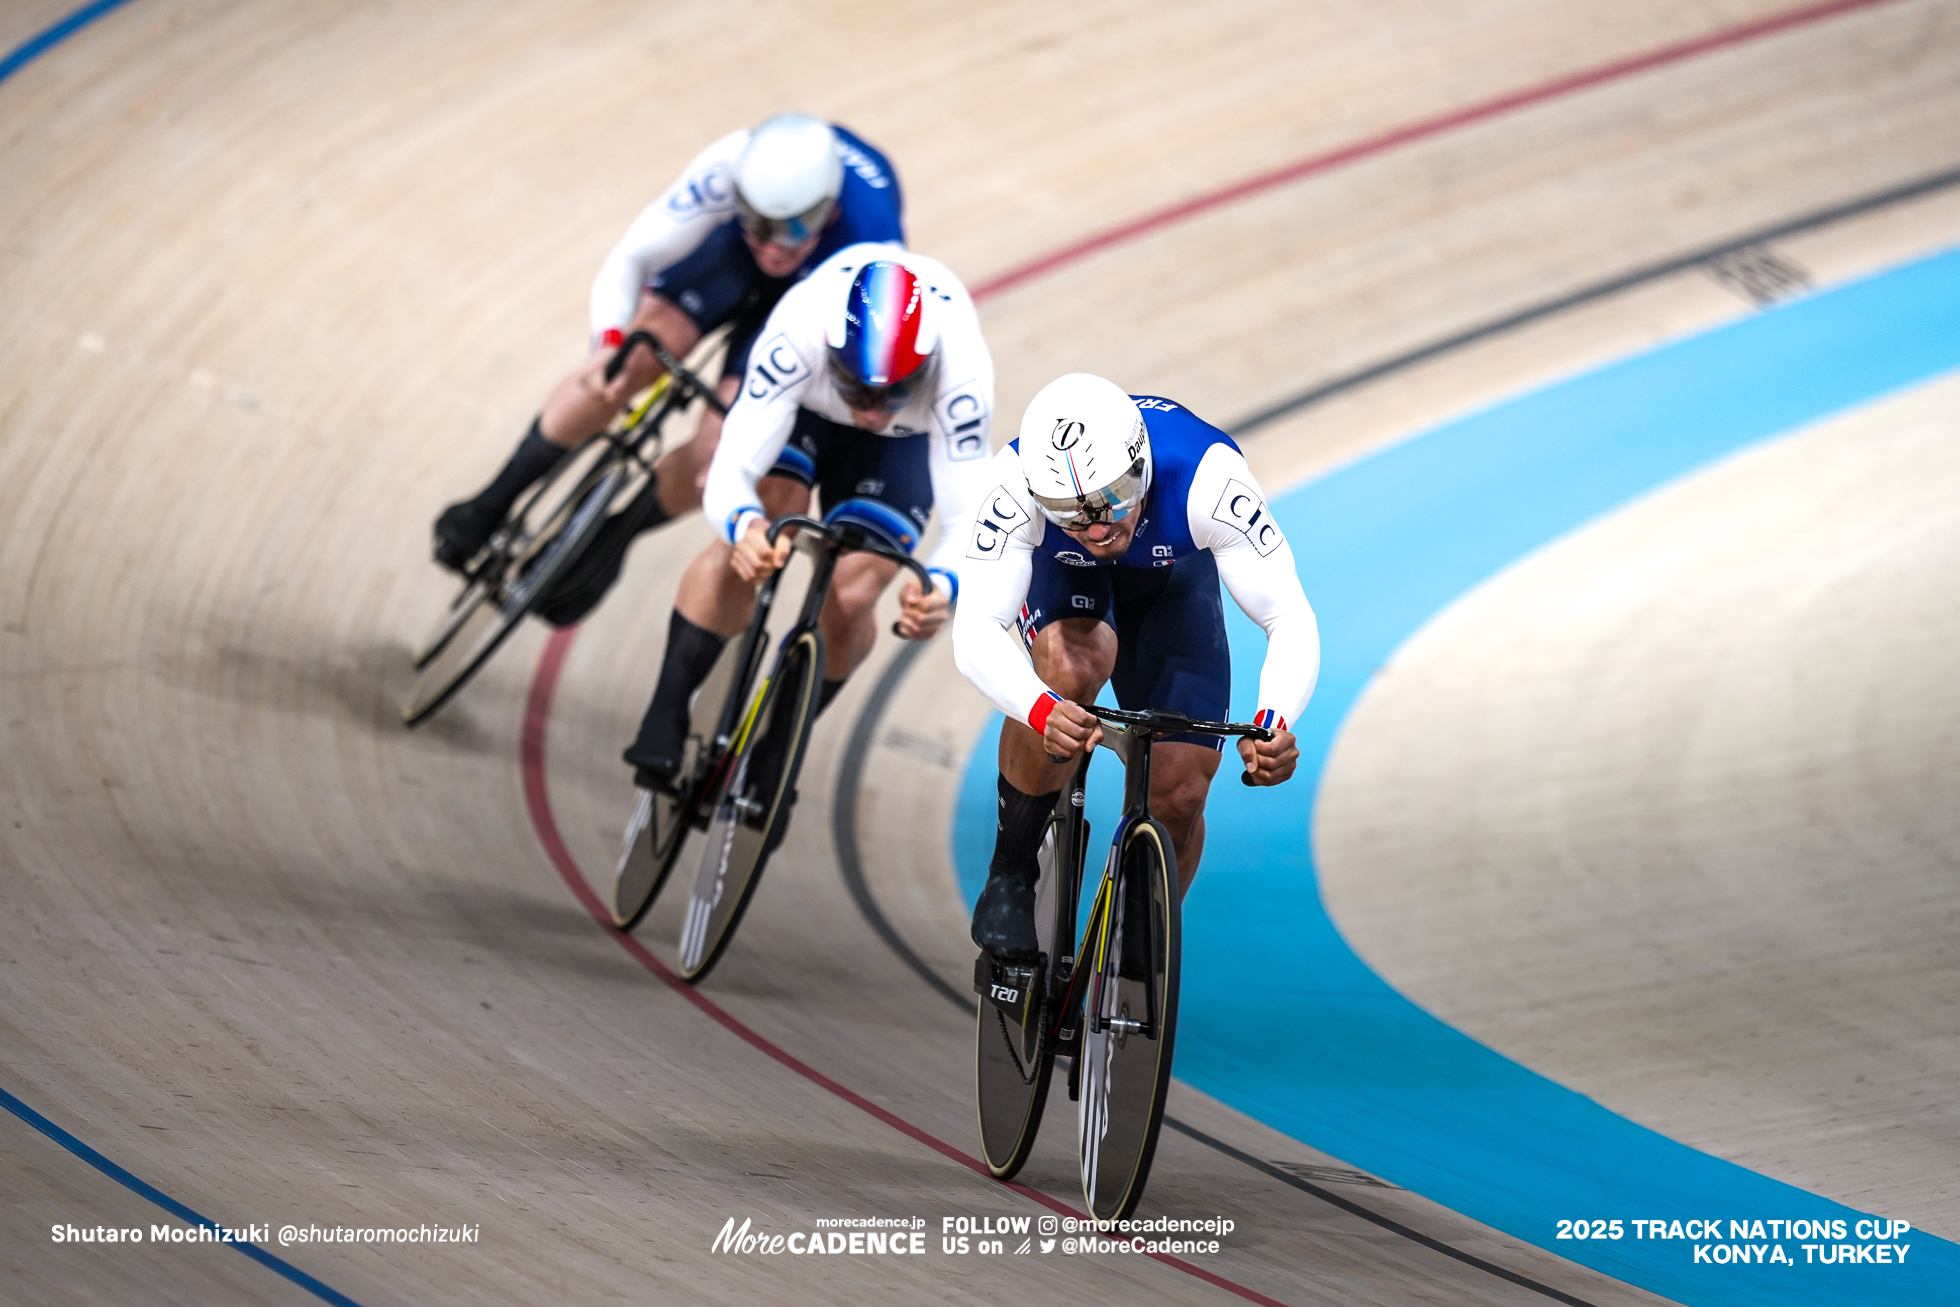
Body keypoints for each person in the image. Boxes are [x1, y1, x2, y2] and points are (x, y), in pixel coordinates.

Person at [430, 113, 905, 609]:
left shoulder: (874, 253)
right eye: (757, 221)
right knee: (633, 357)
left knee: (720, 441)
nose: (769, 244)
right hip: (728, 257)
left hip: (810, 299)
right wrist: (608, 343)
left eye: (790, 229)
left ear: (828, 214)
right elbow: (632, 258)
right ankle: (491, 502)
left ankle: (609, 538)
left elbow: (845, 374)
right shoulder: (728, 165)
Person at [950, 373, 1320, 960]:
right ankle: (1011, 871)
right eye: (1071, 514)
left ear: (1141, 464)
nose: (1097, 529)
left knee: (1181, 786)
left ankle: (1135, 947)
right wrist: (1039, 707)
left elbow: (1288, 616)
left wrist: (1274, 719)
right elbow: (974, 630)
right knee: (1071, 672)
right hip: (1062, 577)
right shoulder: (1014, 484)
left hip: (1169, 580)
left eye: (1112, 501)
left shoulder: (1209, 477)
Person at [618, 242, 996, 810]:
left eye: (895, 390)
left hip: (899, 449)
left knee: (853, 593)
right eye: (859, 388)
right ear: (830, 347)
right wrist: (742, 525)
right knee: (766, 525)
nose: (872, 409)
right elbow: (732, 469)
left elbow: (971, 516)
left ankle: (782, 741)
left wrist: (941, 585)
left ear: (926, 366)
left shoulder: (960, 373)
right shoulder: (798, 327)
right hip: (806, 416)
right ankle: (667, 707)